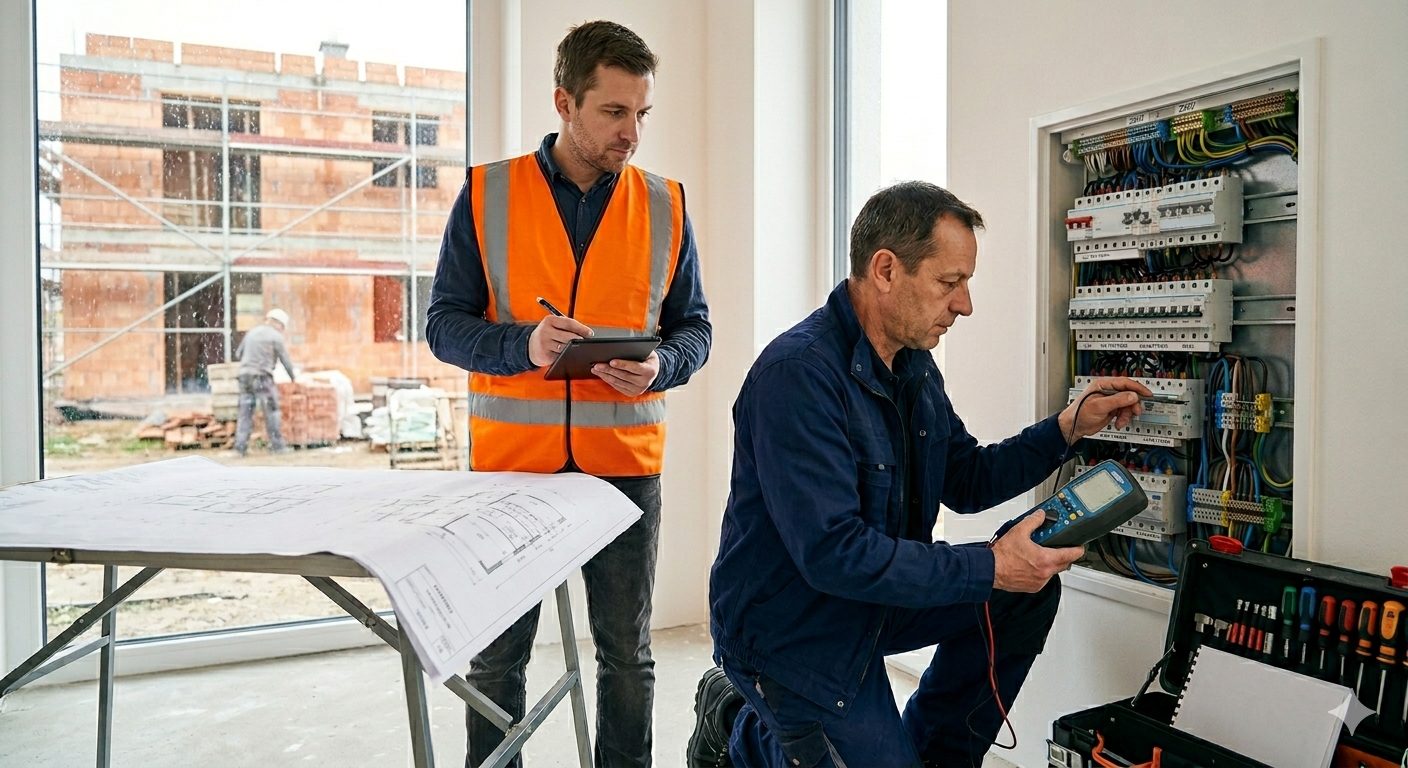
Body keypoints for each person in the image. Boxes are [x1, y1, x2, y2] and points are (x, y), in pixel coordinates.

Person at [698, 182, 1149, 768]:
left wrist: (1067, 427)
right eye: (949, 282)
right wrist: (989, 564)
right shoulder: (797, 377)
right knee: (999, 575)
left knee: (1026, 589)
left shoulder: (912, 364)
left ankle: (935, 753)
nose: (964, 305)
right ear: (886, 269)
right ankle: (736, 723)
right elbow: (834, 553)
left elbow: (965, 477)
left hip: (875, 598)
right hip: (795, 633)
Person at [425, 19, 711, 768]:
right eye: (615, 113)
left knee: (627, 657)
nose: (632, 133)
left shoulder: (666, 204)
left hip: (624, 466)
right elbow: (444, 327)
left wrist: (663, 367)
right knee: (496, 662)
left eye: (641, 114)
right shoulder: (486, 194)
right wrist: (522, 344)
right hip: (512, 472)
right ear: (565, 101)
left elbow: (696, 330)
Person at [232, 308, 297, 457]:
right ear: (279, 324)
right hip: (262, 377)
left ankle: (240, 448)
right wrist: (293, 377)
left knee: (245, 412)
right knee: (272, 411)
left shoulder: (252, 333)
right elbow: (285, 360)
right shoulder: (276, 337)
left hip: (244, 376)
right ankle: (278, 447)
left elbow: (238, 354)